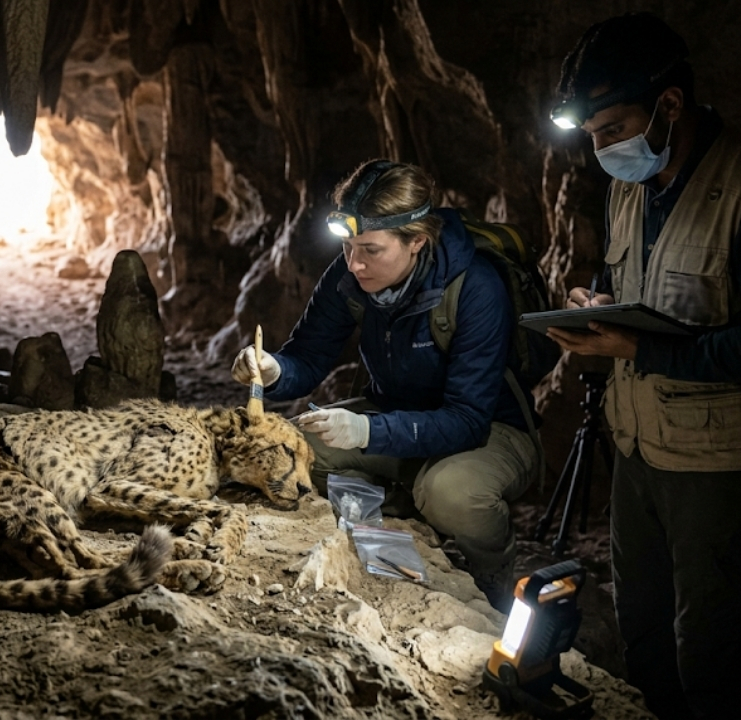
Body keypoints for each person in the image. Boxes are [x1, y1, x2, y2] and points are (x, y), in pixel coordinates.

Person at [545, 13, 741, 720]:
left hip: (724, 465)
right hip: (639, 449)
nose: (601, 148)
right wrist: (595, 308)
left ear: (668, 105)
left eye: (610, 129)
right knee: (646, 645)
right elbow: (632, 284)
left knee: (714, 658)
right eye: (591, 136)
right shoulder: (628, 188)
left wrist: (640, 349)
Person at [229, 159, 541, 612]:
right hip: (396, 417)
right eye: (349, 247)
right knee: (295, 447)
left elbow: (468, 420)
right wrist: (274, 368)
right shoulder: (349, 276)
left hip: (489, 429)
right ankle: (403, 523)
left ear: (416, 241)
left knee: (451, 494)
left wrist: (366, 432)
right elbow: (308, 358)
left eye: (371, 250)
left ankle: (492, 584)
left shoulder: (475, 288)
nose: (355, 263)